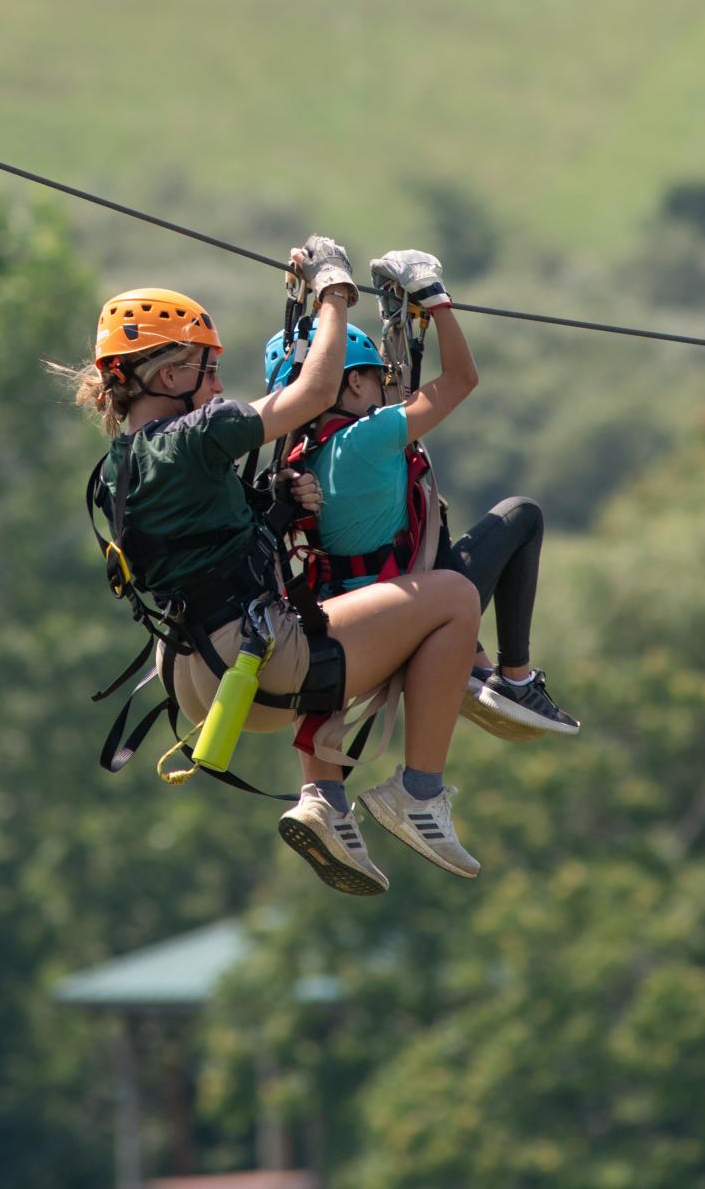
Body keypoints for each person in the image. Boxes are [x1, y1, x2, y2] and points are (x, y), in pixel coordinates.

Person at [59, 236, 487, 897]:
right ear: (168, 376)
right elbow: (315, 391)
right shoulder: (197, 436)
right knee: (454, 596)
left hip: (192, 678)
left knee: (352, 610)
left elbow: (205, 546)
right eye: (206, 369)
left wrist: (276, 511)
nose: (219, 385)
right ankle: (418, 793)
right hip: (256, 660)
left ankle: (331, 806)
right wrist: (333, 293)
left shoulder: (120, 464)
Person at [264, 247, 579, 742]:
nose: (386, 388)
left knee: (426, 511)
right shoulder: (368, 438)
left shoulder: (296, 457)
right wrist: (435, 301)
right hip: (408, 613)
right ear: (350, 384)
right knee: (522, 514)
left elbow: (402, 404)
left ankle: (475, 666)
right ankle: (514, 677)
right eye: (375, 379)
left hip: (344, 618)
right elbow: (461, 380)